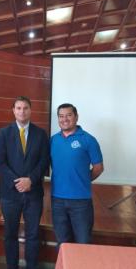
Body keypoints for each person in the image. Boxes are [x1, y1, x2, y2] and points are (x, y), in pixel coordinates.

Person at [0, 96, 50, 269]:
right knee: (10, 234)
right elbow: (0, 162)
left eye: (25, 108)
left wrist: (31, 180)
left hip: (33, 194)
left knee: (33, 235)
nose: (22, 111)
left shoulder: (41, 134)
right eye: (18, 108)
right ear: (13, 110)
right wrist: (17, 182)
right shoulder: (4, 133)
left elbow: (44, 161)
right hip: (10, 194)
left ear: (30, 110)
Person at [50, 103, 104, 247]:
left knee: (83, 244)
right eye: (61, 116)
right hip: (57, 201)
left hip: (81, 202)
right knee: (62, 244)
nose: (64, 119)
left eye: (68, 115)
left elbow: (98, 168)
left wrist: (84, 180)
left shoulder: (88, 140)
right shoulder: (53, 140)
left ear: (76, 117)